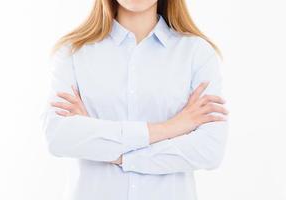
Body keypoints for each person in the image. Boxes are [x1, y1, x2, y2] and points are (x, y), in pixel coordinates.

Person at [41, 0, 230, 199]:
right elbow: (58, 137)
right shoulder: (73, 52)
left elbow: (209, 150)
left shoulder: (196, 52)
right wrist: (172, 127)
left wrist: (111, 150)